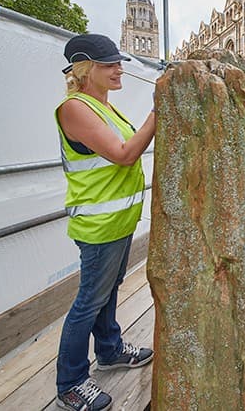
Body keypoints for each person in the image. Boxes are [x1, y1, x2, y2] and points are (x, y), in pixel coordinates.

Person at [54, 34, 156, 410]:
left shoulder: (103, 106)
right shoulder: (75, 109)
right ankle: (71, 381)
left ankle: (110, 349)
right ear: (85, 69)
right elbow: (125, 155)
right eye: (109, 64)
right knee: (88, 301)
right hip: (98, 225)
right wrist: (157, 112)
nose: (119, 69)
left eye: (118, 62)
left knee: (109, 288)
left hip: (117, 220)